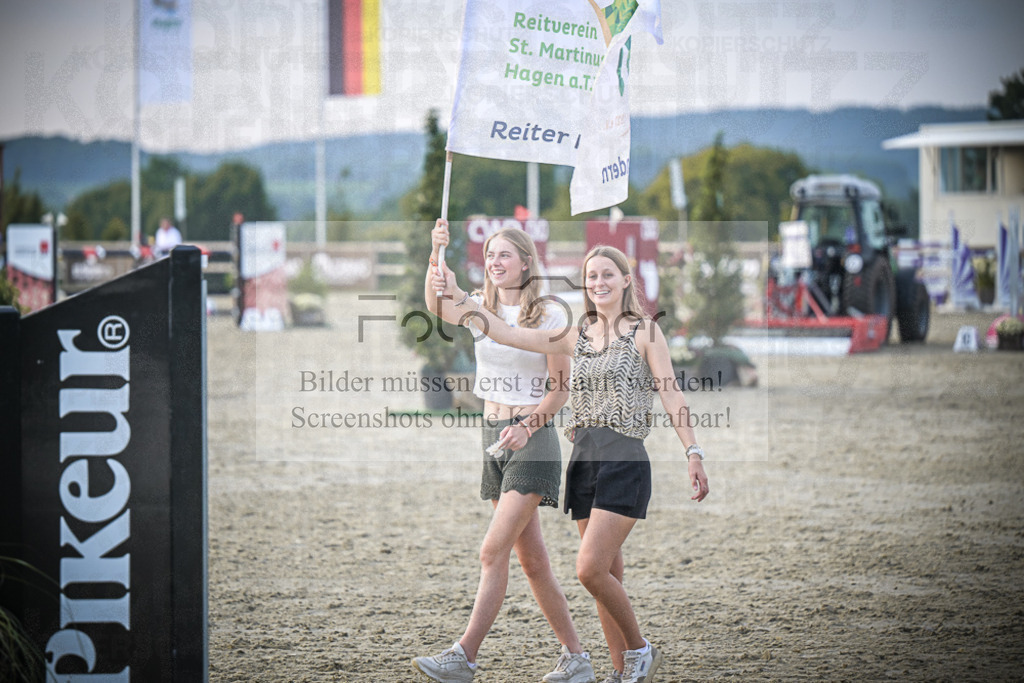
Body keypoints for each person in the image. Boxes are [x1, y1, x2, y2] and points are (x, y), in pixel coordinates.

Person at [430, 241, 710, 683]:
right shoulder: (576, 333)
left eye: (607, 275)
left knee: (589, 569)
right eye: (591, 276)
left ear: (624, 281)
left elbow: (671, 391)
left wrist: (692, 451)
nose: (598, 282)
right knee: (608, 574)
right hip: (584, 459)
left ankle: (640, 650)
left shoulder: (645, 332)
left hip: (624, 457)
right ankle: (621, 673)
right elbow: (506, 333)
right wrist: (461, 299)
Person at [413, 219, 596, 683]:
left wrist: (527, 425)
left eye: (504, 255)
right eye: (490, 255)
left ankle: (464, 657)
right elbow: (435, 302)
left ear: (526, 263)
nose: (494, 262)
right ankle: (576, 658)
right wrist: (437, 252)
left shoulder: (550, 316)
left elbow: (560, 389)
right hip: (491, 435)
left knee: (491, 551)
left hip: (533, 439)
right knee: (532, 562)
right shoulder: (480, 309)